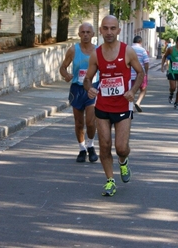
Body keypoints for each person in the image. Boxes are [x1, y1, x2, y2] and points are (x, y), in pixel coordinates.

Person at [84, 15, 144, 196]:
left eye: (112, 28)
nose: (109, 32)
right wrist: (89, 89)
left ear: (118, 30)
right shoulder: (96, 54)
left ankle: (123, 162)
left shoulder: (128, 51)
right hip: (102, 105)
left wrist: (133, 90)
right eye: (105, 28)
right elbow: (87, 78)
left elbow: (140, 73)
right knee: (104, 145)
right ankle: (110, 180)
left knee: (121, 148)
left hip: (123, 106)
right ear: (100, 31)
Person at [59, 22, 99, 163]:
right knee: (78, 122)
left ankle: (91, 145)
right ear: (79, 34)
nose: (85, 35)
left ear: (93, 34)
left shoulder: (98, 50)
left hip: (93, 88)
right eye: (83, 32)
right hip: (77, 89)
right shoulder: (73, 50)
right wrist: (66, 75)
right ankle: (82, 149)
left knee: (90, 121)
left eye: (88, 32)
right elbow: (63, 67)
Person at [131, 36, 149, 112]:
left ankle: (131, 105)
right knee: (143, 89)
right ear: (140, 42)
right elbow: (146, 62)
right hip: (140, 74)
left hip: (129, 74)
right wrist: (146, 72)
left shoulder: (128, 49)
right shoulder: (142, 50)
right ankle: (138, 102)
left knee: (131, 90)